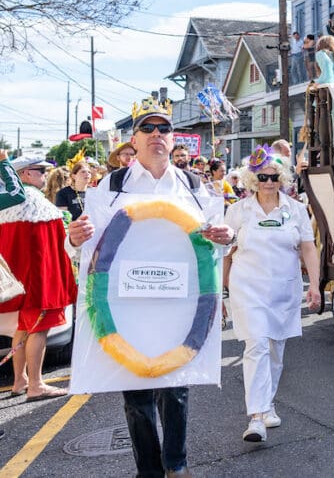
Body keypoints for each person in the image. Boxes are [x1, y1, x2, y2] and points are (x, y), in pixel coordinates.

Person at [67, 100, 234, 476]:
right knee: (136, 394)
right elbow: (85, 244)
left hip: (177, 302)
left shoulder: (194, 186)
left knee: (175, 388)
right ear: (135, 139)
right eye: (148, 129)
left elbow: (215, 241)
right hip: (128, 303)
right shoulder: (109, 187)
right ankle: (149, 470)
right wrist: (74, 239)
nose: (156, 135)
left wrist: (228, 235)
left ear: (173, 139)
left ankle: (176, 464)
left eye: (163, 129)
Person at [223, 146, 320, 442]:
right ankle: (256, 417)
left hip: (283, 290)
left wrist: (314, 285)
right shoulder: (237, 211)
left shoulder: (296, 209)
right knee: (257, 346)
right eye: (263, 177)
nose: (268, 182)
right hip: (247, 288)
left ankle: (268, 405)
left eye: (274, 177)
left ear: (282, 178)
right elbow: (224, 254)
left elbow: (307, 248)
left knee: (275, 351)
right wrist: (221, 292)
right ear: (253, 179)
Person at [0, 153, 77, 400]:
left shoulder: (13, 205)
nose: (45, 176)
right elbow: (45, 250)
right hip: (38, 282)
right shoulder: (33, 202)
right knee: (38, 331)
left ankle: (20, 381)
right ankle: (36, 384)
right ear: (24, 174)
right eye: (39, 171)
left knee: (22, 331)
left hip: (21, 282)